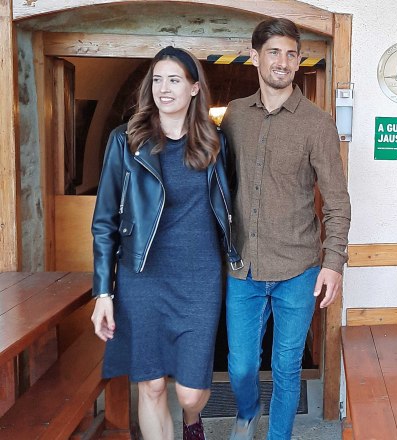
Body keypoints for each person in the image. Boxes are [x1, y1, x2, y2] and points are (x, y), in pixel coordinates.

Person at [90, 46, 243, 440]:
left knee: (191, 391)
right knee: (152, 384)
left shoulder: (214, 142)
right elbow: (104, 221)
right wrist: (103, 293)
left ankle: (192, 421)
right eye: (157, 80)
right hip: (142, 277)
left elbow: (227, 205)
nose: (163, 88)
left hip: (199, 278)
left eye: (174, 79)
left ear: (194, 88)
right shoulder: (126, 142)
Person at [220, 18, 351, 440]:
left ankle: (278, 436)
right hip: (243, 266)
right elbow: (220, 186)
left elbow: (337, 201)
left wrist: (333, 264)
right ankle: (246, 414)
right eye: (273, 52)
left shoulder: (317, 123)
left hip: (298, 268)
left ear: (299, 61)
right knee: (240, 364)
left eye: (291, 54)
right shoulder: (236, 114)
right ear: (255, 56)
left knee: (287, 365)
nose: (283, 61)